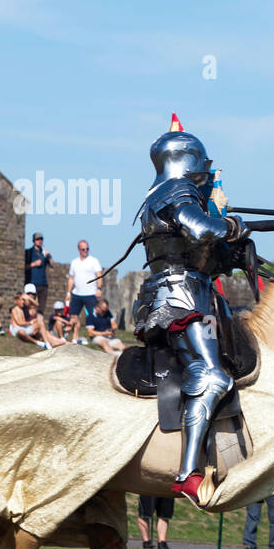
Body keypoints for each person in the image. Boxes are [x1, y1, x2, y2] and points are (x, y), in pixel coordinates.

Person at [131, 117, 248, 505]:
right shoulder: (178, 190)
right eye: (203, 164)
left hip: (177, 290)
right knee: (212, 376)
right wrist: (229, 223)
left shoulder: (158, 193)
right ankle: (188, 473)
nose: (207, 172)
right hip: (182, 296)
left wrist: (228, 250)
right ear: (188, 161)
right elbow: (199, 229)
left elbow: (197, 252)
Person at [66, 240, 103, 326]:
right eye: (83, 249)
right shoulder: (74, 262)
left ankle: (96, 335)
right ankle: (73, 337)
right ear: (79, 250)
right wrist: (68, 293)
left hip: (91, 294)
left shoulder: (94, 261)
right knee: (73, 317)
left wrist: (99, 288)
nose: (85, 251)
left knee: (93, 316)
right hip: (77, 294)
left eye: (87, 249)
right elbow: (71, 278)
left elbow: (99, 276)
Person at [25, 232, 52, 310]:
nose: (40, 241)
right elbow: (24, 267)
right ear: (34, 241)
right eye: (37, 239)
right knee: (31, 306)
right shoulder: (29, 252)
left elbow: (52, 265)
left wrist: (49, 256)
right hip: (32, 284)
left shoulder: (43, 253)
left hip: (43, 284)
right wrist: (34, 264)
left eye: (41, 239)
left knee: (41, 308)